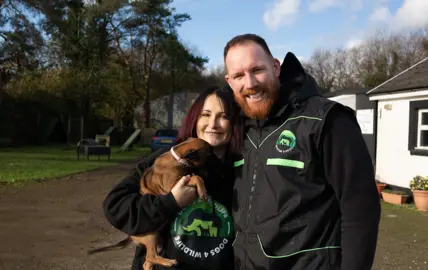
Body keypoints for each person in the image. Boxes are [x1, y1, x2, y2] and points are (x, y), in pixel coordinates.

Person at [223, 33, 381, 270]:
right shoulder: (236, 130)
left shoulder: (325, 120)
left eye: (257, 70)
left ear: (276, 67)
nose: (250, 83)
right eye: (238, 76)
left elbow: (360, 207)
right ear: (229, 82)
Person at [102, 86, 242, 270]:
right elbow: (115, 206)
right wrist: (169, 203)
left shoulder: (242, 169)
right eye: (205, 114)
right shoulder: (165, 160)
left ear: (235, 123)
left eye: (223, 117)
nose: (213, 124)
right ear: (194, 118)